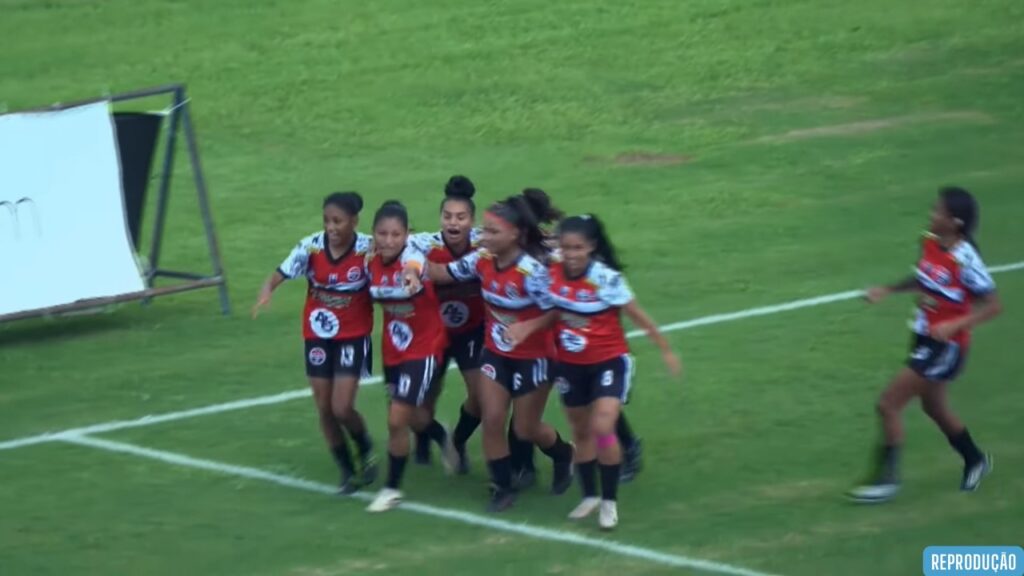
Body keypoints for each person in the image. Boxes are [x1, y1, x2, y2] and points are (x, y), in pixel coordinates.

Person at [508, 214, 682, 530]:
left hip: (609, 362)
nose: (572, 254)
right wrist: (528, 326)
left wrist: (666, 349)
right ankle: (589, 495)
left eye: (578, 248)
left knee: (603, 427)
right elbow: (556, 311)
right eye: (566, 247)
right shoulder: (553, 274)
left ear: (591, 247)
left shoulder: (605, 279)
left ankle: (609, 502)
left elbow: (637, 315)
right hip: (571, 366)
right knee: (581, 430)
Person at [421, 192, 574, 512]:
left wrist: (527, 328)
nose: (484, 237)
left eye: (492, 231)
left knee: (525, 429)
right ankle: (501, 487)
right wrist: (408, 263)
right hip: (496, 353)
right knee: (491, 419)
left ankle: (564, 455)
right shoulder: (481, 261)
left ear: (515, 235)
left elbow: (558, 310)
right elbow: (442, 273)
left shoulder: (532, 272)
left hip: (533, 358)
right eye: (485, 230)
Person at [848, 187, 1001, 504]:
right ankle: (975, 460)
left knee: (888, 404)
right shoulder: (930, 241)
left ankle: (887, 481)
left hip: (946, 345)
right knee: (934, 407)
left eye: (938, 211)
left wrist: (955, 324)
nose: (932, 214)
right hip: (924, 334)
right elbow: (924, 278)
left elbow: (992, 305)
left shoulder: (966, 260)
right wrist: (887, 289)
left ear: (955, 222)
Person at [253, 192, 377, 494]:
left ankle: (364, 445)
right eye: (327, 220)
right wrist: (266, 291)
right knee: (324, 408)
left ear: (354, 222)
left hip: (353, 336)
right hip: (318, 336)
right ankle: (347, 471)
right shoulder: (310, 246)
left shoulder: (367, 250)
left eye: (338, 221)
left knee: (342, 407)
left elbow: (396, 263)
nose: (331, 227)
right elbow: (279, 273)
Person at [364, 200, 458, 512]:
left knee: (396, 420)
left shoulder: (414, 256)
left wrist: (413, 277)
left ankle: (391, 489)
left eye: (396, 234)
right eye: (383, 234)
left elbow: (413, 268)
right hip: (394, 349)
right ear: (374, 234)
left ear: (407, 235)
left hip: (425, 345)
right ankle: (440, 434)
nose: (389, 240)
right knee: (416, 418)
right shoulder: (370, 263)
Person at [409, 176, 486, 474]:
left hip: (472, 332)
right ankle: (436, 437)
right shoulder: (423, 245)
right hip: (432, 333)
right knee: (417, 408)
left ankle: (459, 439)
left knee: (481, 400)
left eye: (461, 217)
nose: (453, 223)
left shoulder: (485, 243)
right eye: (447, 216)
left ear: (472, 220)